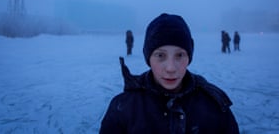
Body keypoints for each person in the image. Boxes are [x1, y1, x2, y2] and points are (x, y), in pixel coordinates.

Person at [100, 13, 239, 134]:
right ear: (148, 58)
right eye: (160, 55)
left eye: (179, 55)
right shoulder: (123, 107)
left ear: (189, 57)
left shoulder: (214, 105)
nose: (171, 68)